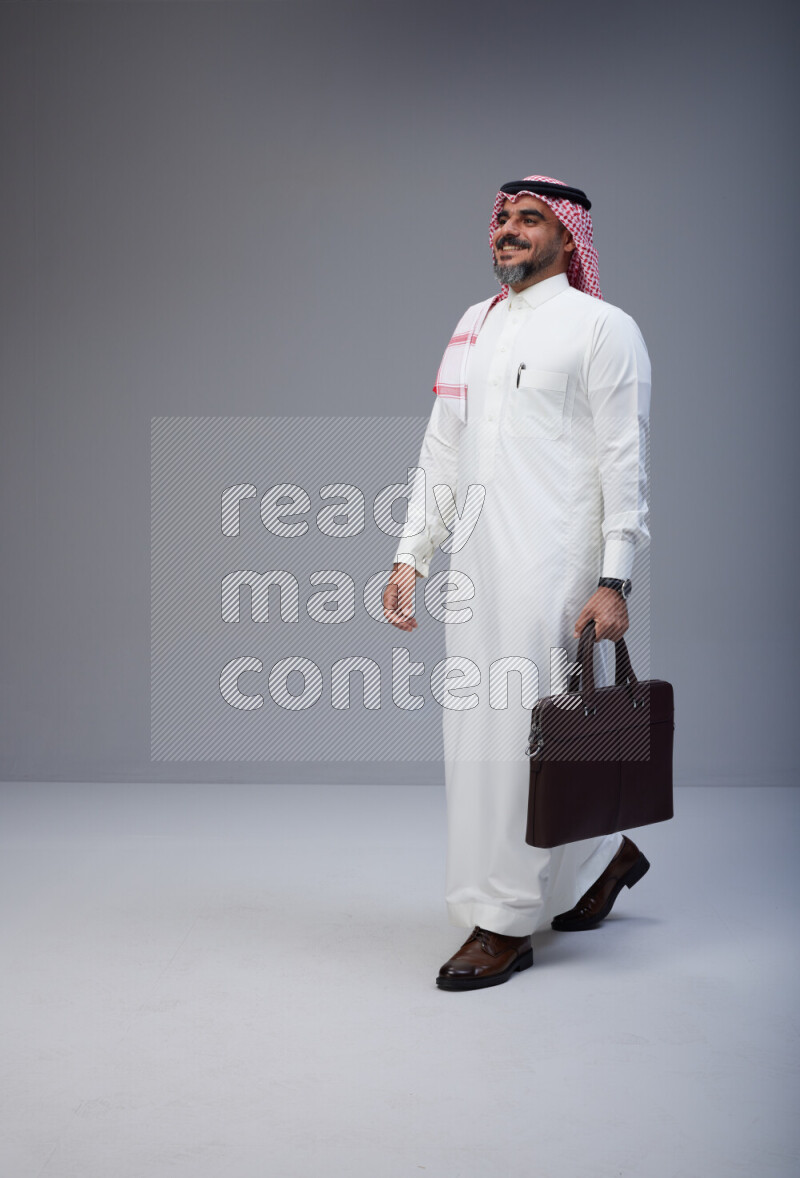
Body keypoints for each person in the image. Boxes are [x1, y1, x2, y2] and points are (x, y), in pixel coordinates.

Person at [382, 174, 652, 991]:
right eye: (502, 218)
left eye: (529, 219)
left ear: (570, 239)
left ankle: (501, 925)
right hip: (478, 568)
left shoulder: (604, 329)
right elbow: (442, 447)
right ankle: (606, 855)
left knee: (528, 737)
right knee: (477, 732)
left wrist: (615, 581)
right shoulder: (475, 324)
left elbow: (625, 462)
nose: (507, 230)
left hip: (554, 567)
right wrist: (412, 555)